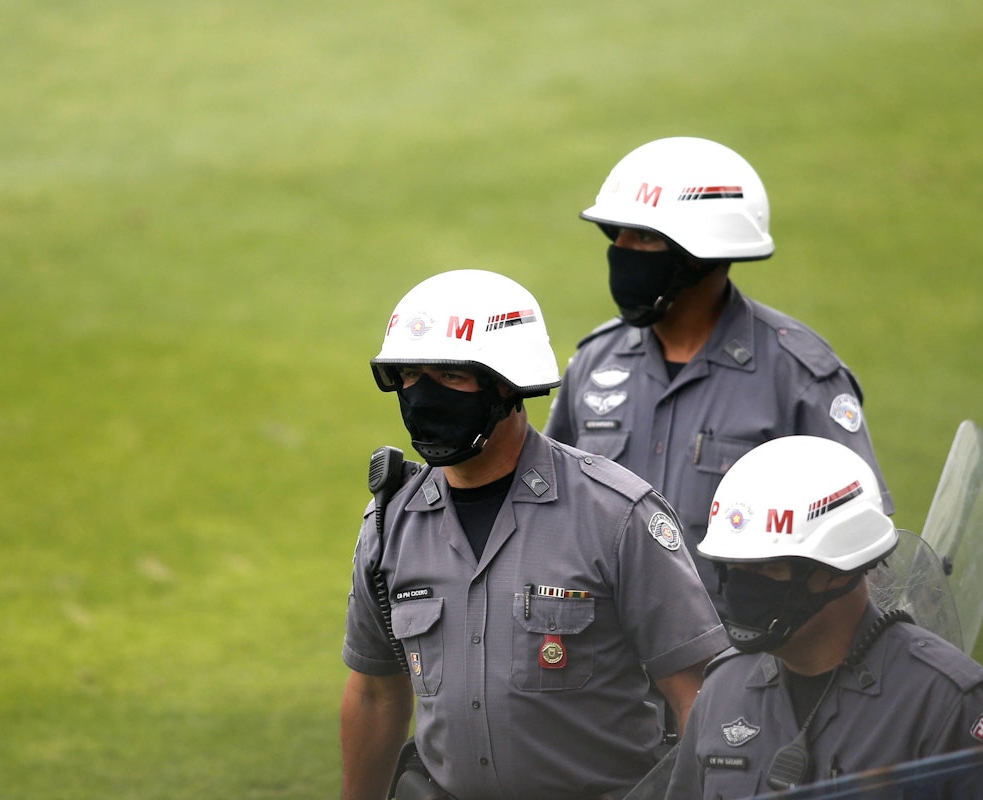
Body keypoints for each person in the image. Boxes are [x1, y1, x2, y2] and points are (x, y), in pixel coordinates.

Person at [340, 269, 728, 800]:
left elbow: (699, 695)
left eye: (450, 377)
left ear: (508, 384)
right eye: (408, 375)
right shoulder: (391, 524)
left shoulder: (615, 513)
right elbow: (376, 693)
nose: (422, 396)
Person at [544, 136, 893, 613]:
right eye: (617, 234)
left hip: (741, 668)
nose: (623, 251)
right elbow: (549, 511)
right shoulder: (594, 362)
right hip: (610, 670)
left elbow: (856, 548)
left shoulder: (799, 375)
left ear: (701, 254)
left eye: (644, 237)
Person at [664, 435, 983, 799]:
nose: (740, 589)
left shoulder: (945, 702)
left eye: (766, 569)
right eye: (731, 568)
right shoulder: (722, 688)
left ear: (838, 572)